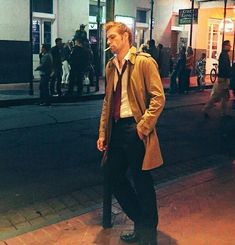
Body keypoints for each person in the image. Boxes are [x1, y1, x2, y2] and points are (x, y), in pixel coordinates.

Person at [97, 21, 165, 245]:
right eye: (108, 38)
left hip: (135, 129)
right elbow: (107, 102)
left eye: (113, 37)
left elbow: (158, 98)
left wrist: (142, 127)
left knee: (142, 180)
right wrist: (102, 133)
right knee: (112, 174)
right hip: (116, 129)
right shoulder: (110, 66)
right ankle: (141, 220)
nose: (109, 42)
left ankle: (146, 233)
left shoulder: (143, 63)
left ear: (126, 36)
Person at [203, 40, 232, 119]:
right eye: (229, 45)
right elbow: (224, 68)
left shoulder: (224, 55)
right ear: (225, 46)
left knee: (225, 96)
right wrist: (226, 77)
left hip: (223, 78)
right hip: (223, 79)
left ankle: (223, 113)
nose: (230, 46)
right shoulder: (224, 55)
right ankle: (206, 109)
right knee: (217, 96)